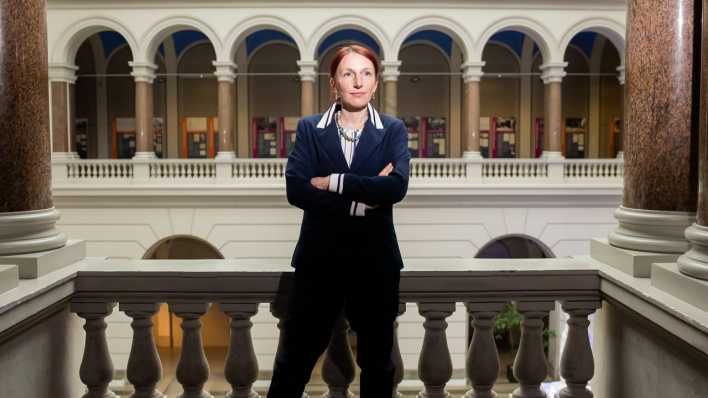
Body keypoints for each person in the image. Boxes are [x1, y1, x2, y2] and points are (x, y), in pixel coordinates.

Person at [267, 44, 411, 398]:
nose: (358, 82)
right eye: (348, 74)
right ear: (334, 83)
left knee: (378, 367)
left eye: (366, 74)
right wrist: (362, 203)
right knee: (293, 363)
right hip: (319, 264)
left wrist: (334, 182)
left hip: (375, 266)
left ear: (376, 83)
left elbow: (396, 186)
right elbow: (296, 189)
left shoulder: (393, 130)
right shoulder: (310, 129)